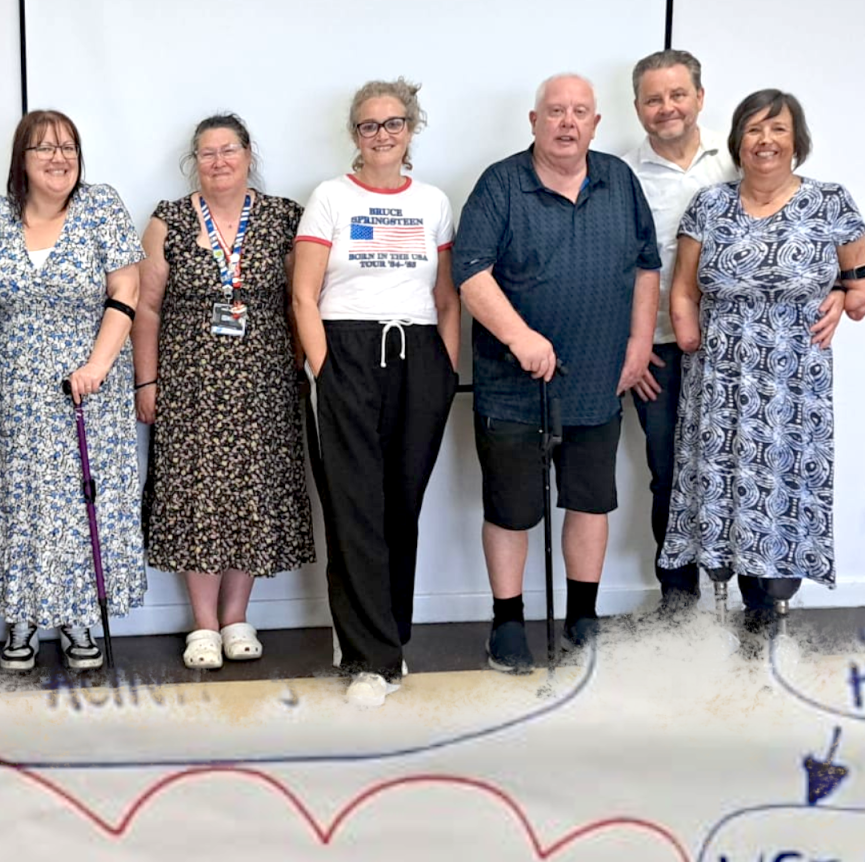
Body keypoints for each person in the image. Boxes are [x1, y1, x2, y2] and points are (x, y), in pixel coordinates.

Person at [451, 74, 661, 674]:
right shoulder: (500, 184)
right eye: (555, 112)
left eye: (580, 112)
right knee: (512, 509)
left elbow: (647, 266)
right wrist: (520, 338)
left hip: (599, 378)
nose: (567, 122)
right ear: (534, 121)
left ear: (596, 123)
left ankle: (583, 617)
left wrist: (640, 342)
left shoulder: (618, 180)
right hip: (513, 385)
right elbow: (471, 272)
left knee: (590, 503)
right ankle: (508, 622)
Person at [661, 89, 864, 632]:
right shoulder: (709, 205)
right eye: (753, 130)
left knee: (779, 485)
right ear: (737, 142)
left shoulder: (830, 202)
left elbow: (859, 286)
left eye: (777, 129)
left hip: (793, 381)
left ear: (796, 140)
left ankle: (765, 611)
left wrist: (844, 295)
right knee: (720, 484)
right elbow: (683, 288)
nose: (765, 140)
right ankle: (702, 608)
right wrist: (687, 334)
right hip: (719, 377)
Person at [0, 110, 145, 672]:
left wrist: (97, 364)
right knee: (18, 498)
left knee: (80, 501)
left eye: (68, 147)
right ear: (21, 160)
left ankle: (78, 614)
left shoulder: (101, 206)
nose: (59, 157)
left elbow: (127, 287)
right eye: (43, 148)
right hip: (7, 389)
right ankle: (21, 614)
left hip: (88, 387)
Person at [291, 80, 459, 706]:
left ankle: (389, 636)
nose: (382, 134)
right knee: (354, 505)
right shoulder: (331, 198)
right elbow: (304, 294)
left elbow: (446, 298)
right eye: (369, 125)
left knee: (402, 505)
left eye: (393, 123)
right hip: (349, 354)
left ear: (411, 129)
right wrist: (325, 368)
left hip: (417, 358)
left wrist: (443, 371)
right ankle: (367, 657)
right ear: (354, 135)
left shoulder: (433, 202)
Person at [134, 113, 314, 671]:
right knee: (197, 499)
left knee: (252, 496)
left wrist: (305, 368)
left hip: (265, 383)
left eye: (228, 149)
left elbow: (299, 300)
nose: (219, 161)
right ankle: (203, 626)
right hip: (190, 385)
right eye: (207, 153)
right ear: (195, 162)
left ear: (248, 154)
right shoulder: (168, 220)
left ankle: (237, 618)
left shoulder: (284, 217)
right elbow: (146, 306)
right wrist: (147, 380)